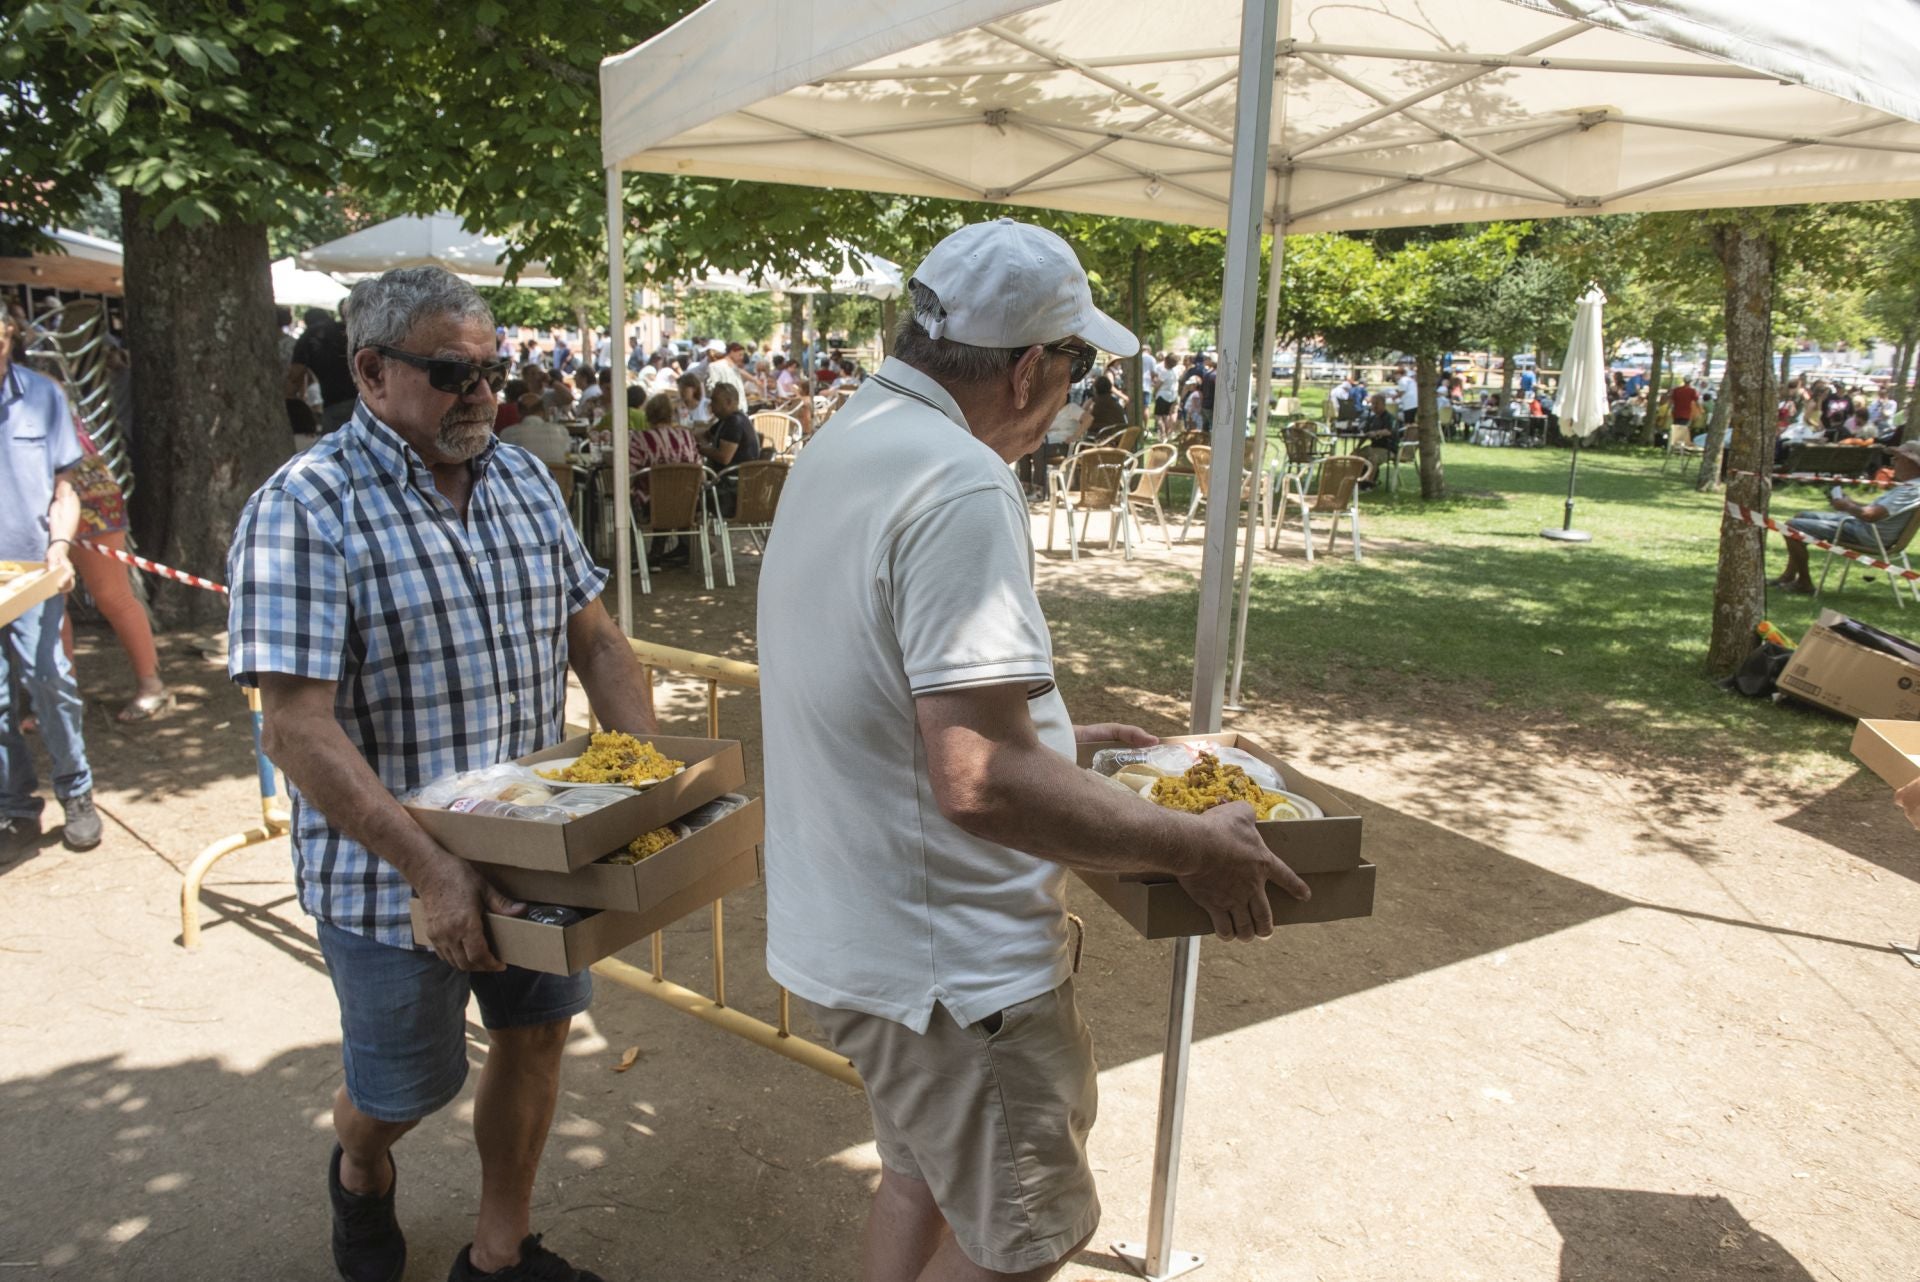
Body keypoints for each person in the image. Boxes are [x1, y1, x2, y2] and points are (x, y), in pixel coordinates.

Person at [758, 219, 1308, 1282]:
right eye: (1078, 364)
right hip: (955, 975)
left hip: (867, 944)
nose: (1077, 392)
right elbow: (978, 778)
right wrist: (1191, 843)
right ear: (1026, 371)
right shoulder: (959, 480)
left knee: (921, 1178)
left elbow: (889, 690)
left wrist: (1049, 736)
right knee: (1026, 1237)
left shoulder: (852, 432)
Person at [227, 267, 654, 1282]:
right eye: (454, 372)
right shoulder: (304, 507)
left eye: (492, 370)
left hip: (541, 850)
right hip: (389, 883)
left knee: (540, 1039)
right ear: (372, 370)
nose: (483, 394)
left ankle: (497, 1254)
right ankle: (362, 1166)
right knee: (405, 1089)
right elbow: (296, 730)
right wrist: (433, 872)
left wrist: (642, 783)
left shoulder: (518, 480)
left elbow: (595, 641)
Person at [1, 306, 102, 854]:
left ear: (9, 336)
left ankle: (76, 791)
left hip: (32, 574)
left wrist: (60, 549)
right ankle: (14, 806)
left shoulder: (42, 395)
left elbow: (66, 489)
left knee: (50, 679)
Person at [1772, 441, 1920, 594]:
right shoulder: (1911, 486)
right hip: (1868, 528)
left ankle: (1804, 583)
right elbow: (1874, 511)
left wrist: (1846, 506)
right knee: (1801, 516)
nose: (1892, 462)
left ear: (1911, 462)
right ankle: (1789, 575)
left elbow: (1869, 516)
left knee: (1792, 526)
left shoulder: (1911, 490)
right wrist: (1850, 502)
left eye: (1897, 458)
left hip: (1869, 534)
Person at [629, 388, 702, 515]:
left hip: (652, 506)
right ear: (671, 415)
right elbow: (702, 475)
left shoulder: (640, 439)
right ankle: (684, 534)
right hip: (688, 503)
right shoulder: (687, 436)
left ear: (648, 415)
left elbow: (630, 474)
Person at [289, 306, 357, 434]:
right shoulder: (346, 329)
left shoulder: (307, 338)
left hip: (334, 402)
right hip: (364, 397)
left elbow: (296, 374)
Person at [497, 393, 572, 466]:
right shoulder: (562, 431)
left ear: (519, 412)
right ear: (543, 411)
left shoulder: (506, 433)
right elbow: (567, 457)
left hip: (522, 478)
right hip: (558, 477)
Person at [1078, 374, 1129, 441]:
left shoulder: (1092, 402)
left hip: (1098, 441)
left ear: (1095, 388)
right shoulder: (1116, 403)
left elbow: (1080, 419)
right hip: (1118, 441)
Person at [707, 340, 749, 405]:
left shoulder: (735, 368)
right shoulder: (714, 367)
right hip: (726, 409)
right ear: (731, 352)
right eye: (740, 355)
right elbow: (712, 390)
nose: (741, 358)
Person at [1394, 363, 1419, 430]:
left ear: (1399, 374)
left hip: (1409, 404)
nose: (1395, 377)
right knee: (1412, 421)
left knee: (1408, 422)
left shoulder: (1402, 380)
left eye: (1396, 375)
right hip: (1414, 402)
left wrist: (1394, 397)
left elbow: (1402, 391)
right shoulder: (1410, 380)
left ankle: (1409, 436)